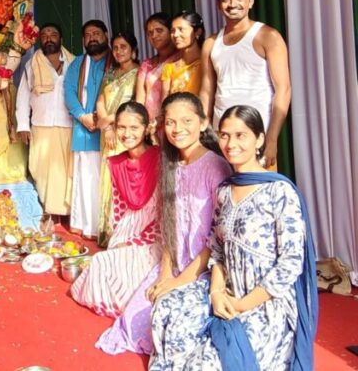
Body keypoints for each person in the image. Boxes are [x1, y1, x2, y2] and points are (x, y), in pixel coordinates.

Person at [149, 105, 316, 370]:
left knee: (206, 363)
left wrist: (241, 305)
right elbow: (217, 250)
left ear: (259, 139)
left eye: (241, 135)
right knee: (167, 309)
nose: (231, 143)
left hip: (265, 303)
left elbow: (290, 264)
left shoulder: (280, 191)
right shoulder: (226, 191)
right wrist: (216, 292)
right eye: (225, 135)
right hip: (226, 290)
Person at [95, 92, 230, 355]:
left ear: (203, 123)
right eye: (170, 122)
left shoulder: (216, 167)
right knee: (132, 321)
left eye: (186, 121)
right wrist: (166, 273)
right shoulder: (171, 164)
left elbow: (217, 242)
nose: (178, 129)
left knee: (171, 327)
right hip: (174, 262)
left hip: (206, 271)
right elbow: (171, 227)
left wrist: (179, 282)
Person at [71, 102, 160, 320]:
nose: (127, 134)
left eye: (134, 128)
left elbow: (163, 212)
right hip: (126, 233)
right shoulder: (115, 163)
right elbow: (119, 211)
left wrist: (136, 242)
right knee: (103, 262)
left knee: (126, 270)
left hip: (154, 239)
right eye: (121, 127)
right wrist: (119, 241)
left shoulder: (161, 158)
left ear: (146, 128)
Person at [199, 0, 291, 168]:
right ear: (218, 4)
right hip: (221, 136)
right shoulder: (210, 43)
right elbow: (206, 91)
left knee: (261, 192)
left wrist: (272, 138)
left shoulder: (268, 36)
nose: (233, 4)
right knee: (224, 193)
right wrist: (203, 131)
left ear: (251, 1)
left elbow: (283, 89)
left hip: (256, 134)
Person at [15, 23, 75, 218]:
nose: (49, 38)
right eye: (45, 35)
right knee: (41, 172)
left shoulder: (74, 63)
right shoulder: (32, 64)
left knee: (64, 173)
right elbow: (23, 96)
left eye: (53, 34)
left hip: (68, 127)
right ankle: (47, 212)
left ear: (61, 39)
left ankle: (65, 214)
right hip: (41, 126)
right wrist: (23, 125)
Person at [64, 20, 109, 238]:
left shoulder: (115, 61)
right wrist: (83, 116)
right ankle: (88, 226)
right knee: (87, 181)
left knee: (106, 181)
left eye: (96, 33)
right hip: (84, 131)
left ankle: (106, 227)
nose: (92, 37)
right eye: (88, 34)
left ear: (106, 36)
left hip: (110, 132)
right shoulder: (77, 64)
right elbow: (69, 92)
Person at [95, 32, 140, 246]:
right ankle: (110, 233)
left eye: (123, 46)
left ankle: (126, 234)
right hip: (109, 136)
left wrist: (110, 123)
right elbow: (100, 101)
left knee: (125, 182)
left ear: (133, 49)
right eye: (115, 47)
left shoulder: (139, 73)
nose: (119, 51)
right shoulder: (111, 74)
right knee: (108, 182)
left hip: (127, 134)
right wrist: (105, 125)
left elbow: (135, 105)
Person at [134, 12, 179, 124]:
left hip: (173, 122)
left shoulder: (180, 60)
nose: (154, 35)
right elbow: (140, 100)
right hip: (149, 125)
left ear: (171, 32)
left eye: (159, 30)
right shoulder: (146, 65)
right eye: (150, 33)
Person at [160, 12, 205, 99]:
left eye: (181, 29)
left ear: (197, 32)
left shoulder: (206, 64)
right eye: (172, 31)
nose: (176, 35)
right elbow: (164, 102)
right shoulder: (169, 68)